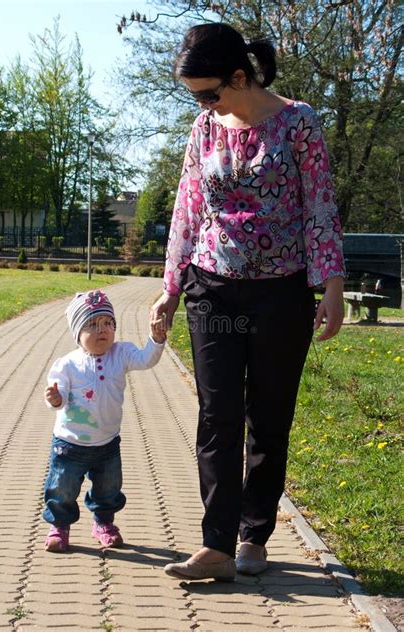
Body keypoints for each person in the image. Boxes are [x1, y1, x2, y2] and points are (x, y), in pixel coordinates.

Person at [150, 23, 345, 582]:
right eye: (194, 96)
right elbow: (187, 211)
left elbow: (321, 208)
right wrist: (169, 289)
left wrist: (330, 285)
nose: (202, 104)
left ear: (241, 76)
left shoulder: (298, 122)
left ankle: (253, 535)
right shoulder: (203, 129)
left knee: (269, 416)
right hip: (212, 287)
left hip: (282, 291)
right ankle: (215, 544)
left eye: (209, 92)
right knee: (218, 415)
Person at [43, 289, 166, 553]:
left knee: (108, 489)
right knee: (62, 488)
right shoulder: (67, 364)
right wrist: (55, 398)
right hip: (69, 444)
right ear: (77, 333)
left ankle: (104, 523)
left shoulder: (121, 353)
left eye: (108, 323)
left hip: (107, 443)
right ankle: (59, 527)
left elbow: (146, 360)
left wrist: (155, 340)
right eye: (92, 324)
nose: (103, 330)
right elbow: (60, 395)